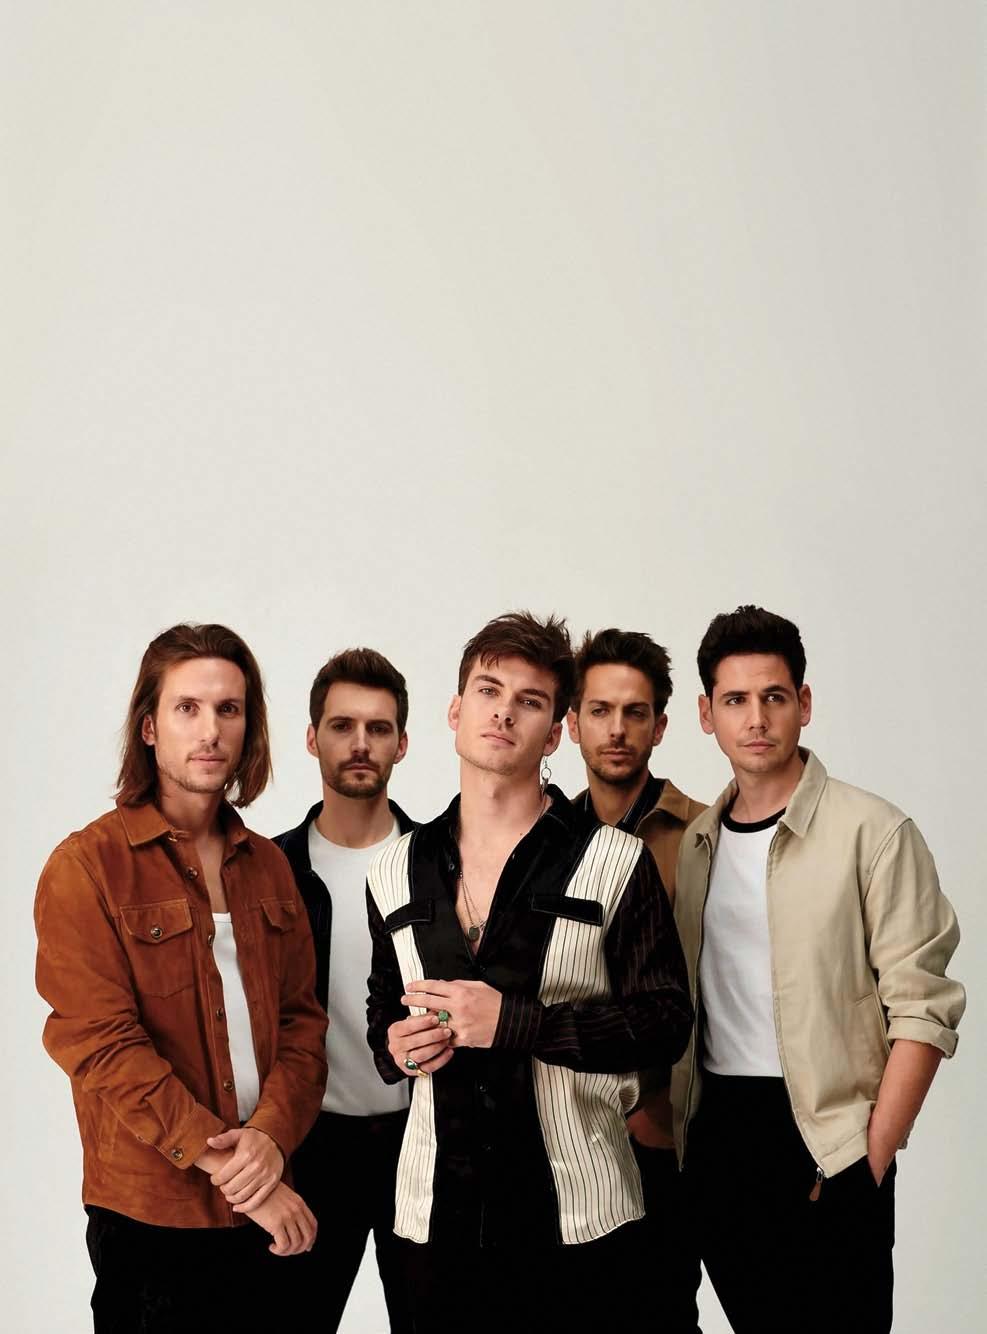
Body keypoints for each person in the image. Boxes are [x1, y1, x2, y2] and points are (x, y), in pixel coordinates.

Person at [366, 611, 693, 1334]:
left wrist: (516, 1023)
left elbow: (665, 1023)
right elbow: (382, 1011)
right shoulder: (393, 869)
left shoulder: (614, 861)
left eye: (530, 700)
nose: (503, 712)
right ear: (455, 710)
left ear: (553, 735)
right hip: (433, 1223)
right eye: (489, 691)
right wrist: (394, 1046)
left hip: (579, 1222)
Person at [671, 605, 966, 1334]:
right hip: (719, 1134)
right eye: (735, 700)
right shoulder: (698, 844)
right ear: (707, 715)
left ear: (803, 704)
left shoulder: (873, 831)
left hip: (827, 1141)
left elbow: (923, 1007)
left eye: (773, 696)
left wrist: (871, 1159)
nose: (756, 719)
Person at [35, 624, 328, 1331]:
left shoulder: (269, 866)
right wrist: (234, 1171)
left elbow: (302, 1025)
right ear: (149, 727)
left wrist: (270, 1140)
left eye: (229, 709)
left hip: (268, 1203)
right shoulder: (87, 867)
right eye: (187, 708)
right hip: (152, 1218)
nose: (210, 730)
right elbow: (100, 1044)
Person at [567, 627, 705, 1332]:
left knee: (659, 1313)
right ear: (571, 722)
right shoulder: (545, 840)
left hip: (668, 1135)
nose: (616, 730)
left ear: (660, 726)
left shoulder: (703, 835)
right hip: (566, 1135)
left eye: (634, 712)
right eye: (599, 711)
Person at [273, 648, 416, 1331]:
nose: (361, 743)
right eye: (342, 726)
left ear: (402, 743)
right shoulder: (269, 869)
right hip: (309, 1145)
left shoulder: (440, 864)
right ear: (312, 738)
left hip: (422, 1143)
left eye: (378, 728)